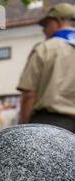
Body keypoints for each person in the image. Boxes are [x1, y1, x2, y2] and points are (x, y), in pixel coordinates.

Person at [17, 3, 75, 132]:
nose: (44, 30)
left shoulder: (45, 48)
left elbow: (29, 95)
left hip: (51, 125)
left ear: (58, 21)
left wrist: (23, 129)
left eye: (46, 24)